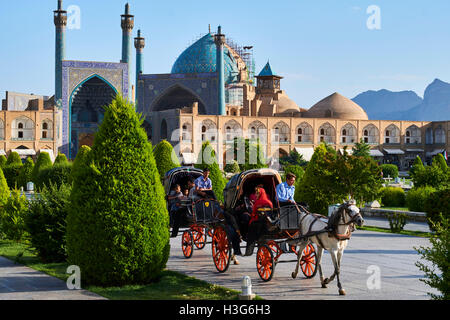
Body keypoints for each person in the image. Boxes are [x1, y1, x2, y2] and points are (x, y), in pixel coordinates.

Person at [244, 187, 273, 256]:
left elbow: (253, 213)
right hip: (267, 224)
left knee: (251, 234)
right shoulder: (269, 202)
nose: (256, 195)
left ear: (260, 194)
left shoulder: (257, 203)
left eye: (257, 193)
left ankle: (249, 251)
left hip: (257, 224)